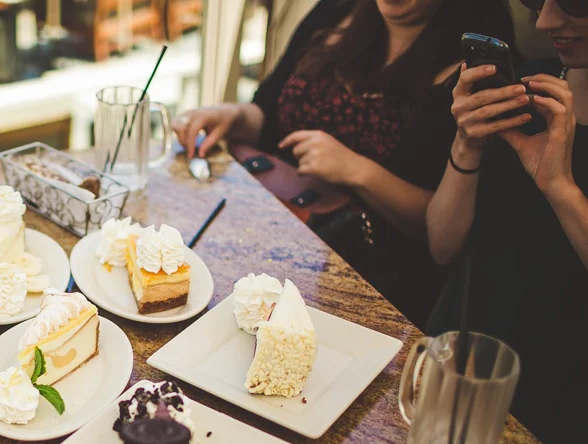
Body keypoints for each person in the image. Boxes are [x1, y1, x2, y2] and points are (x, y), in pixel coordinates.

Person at [172, 0, 516, 326]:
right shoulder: (338, 11)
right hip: (269, 230)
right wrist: (232, 115)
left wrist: (356, 171)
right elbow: (268, 114)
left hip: (362, 279)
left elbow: (439, 234)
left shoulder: (473, 74)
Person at [426, 0, 588, 444]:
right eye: (537, 3)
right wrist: (466, 145)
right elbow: (443, 247)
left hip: (561, 404)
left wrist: (559, 186)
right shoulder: (525, 89)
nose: (543, 23)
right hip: (459, 363)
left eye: (574, 7)